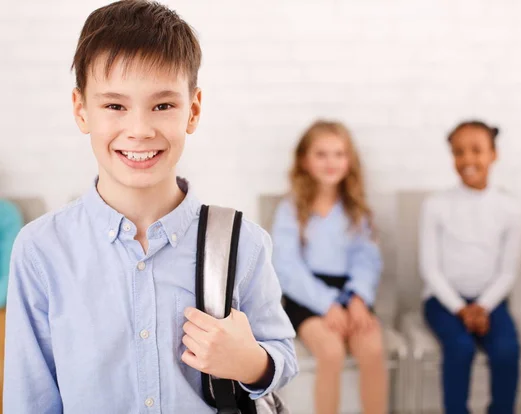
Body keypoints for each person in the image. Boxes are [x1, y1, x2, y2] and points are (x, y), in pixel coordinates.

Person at [4, 1, 297, 412]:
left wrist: (249, 362)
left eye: (163, 105)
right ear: (80, 108)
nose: (139, 130)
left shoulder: (241, 242)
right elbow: (30, 399)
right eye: (115, 106)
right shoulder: (40, 250)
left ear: (192, 110)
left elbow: (281, 356)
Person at [272, 120, 388, 414]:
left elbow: (367, 260)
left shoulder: (356, 210)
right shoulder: (291, 208)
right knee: (331, 351)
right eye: (321, 154)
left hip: (350, 295)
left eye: (339, 154)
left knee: (373, 350)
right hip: (306, 298)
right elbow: (287, 268)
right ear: (304, 160)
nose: (331, 162)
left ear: (350, 161)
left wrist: (357, 299)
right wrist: (327, 305)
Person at [419, 120, 521, 414]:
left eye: (476, 150)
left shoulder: (510, 208)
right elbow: (431, 269)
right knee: (460, 348)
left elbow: (507, 271)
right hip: (443, 302)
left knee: (506, 351)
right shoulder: (435, 205)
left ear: (494, 154)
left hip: (491, 303)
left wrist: (483, 306)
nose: (467, 160)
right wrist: (460, 308)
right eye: (459, 152)